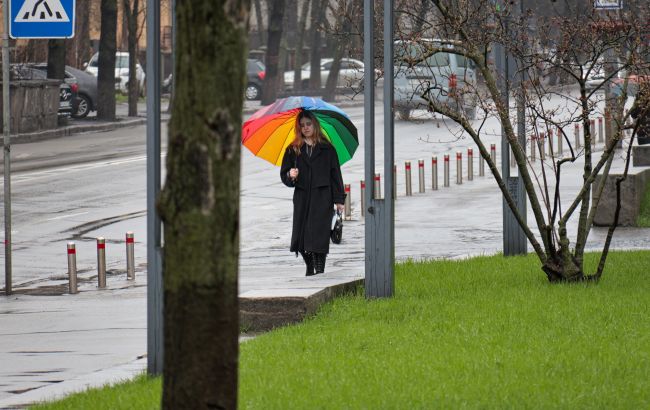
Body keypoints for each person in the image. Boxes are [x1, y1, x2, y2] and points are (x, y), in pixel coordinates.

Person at [280, 110, 346, 276]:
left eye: (308, 124)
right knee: (300, 235)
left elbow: (335, 175)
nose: (306, 128)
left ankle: (320, 269)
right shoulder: (293, 149)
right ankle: (310, 264)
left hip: (322, 197)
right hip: (302, 198)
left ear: (315, 125)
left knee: (320, 234)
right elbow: (284, 175)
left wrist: (339, 200)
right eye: (302, 125)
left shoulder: (327, 149)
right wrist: (290, 175)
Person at [630, 81, 650, 145]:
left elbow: (633, 114)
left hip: (642, 132)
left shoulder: (638, 99)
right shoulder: (638, 99)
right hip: (642, 132)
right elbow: (633, 114)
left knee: (643, 149)